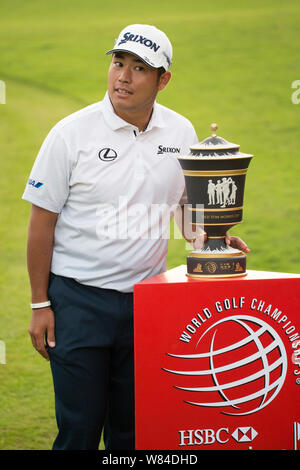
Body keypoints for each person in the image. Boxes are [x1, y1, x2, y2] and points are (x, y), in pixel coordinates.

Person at [22, 24, 249, 450]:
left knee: (134, 432)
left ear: (163, 80)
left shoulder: (181, 131)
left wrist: (210, 237)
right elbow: (42, 221)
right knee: (79, 431)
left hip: (148, 303)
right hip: (77, 300)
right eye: (118, 63)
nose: (123, 76)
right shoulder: (71, 133)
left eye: (139, 68)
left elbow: (183, 203)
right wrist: (40, 303)